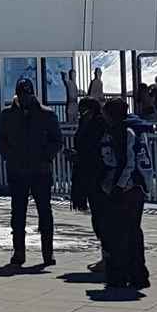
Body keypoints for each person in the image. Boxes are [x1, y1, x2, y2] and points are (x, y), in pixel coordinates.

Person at [0, 78, 63, 269]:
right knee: (18, 213)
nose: (24, 98)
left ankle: (47, 252)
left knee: (45, 212)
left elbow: (57, 140)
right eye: (21, 94)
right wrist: (9, 155)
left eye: (27, 94)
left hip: (40, 171)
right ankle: (19, 251)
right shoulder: (7, 115)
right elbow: (1, 139)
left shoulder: (46, 114)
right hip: (17, 170)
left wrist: (45, 156)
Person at [97, 96, 152, 291]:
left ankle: (120, 275)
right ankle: (137, 274)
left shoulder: (124, 132)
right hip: (138, 187)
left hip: (127, 188)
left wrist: (118, 187)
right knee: (133, 232)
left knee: (118, 234)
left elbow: (128, 162)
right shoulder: (136, 130)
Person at [68, 99, 108, 272]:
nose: (82, 114)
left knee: (103, 217)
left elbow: (96, 151)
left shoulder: (99, 125)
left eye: (84, 110)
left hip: (97, 175)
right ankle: (107, 255)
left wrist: (80, 156)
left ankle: (109, 257)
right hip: (87, 174)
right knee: (98, 217)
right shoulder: (85, 123)